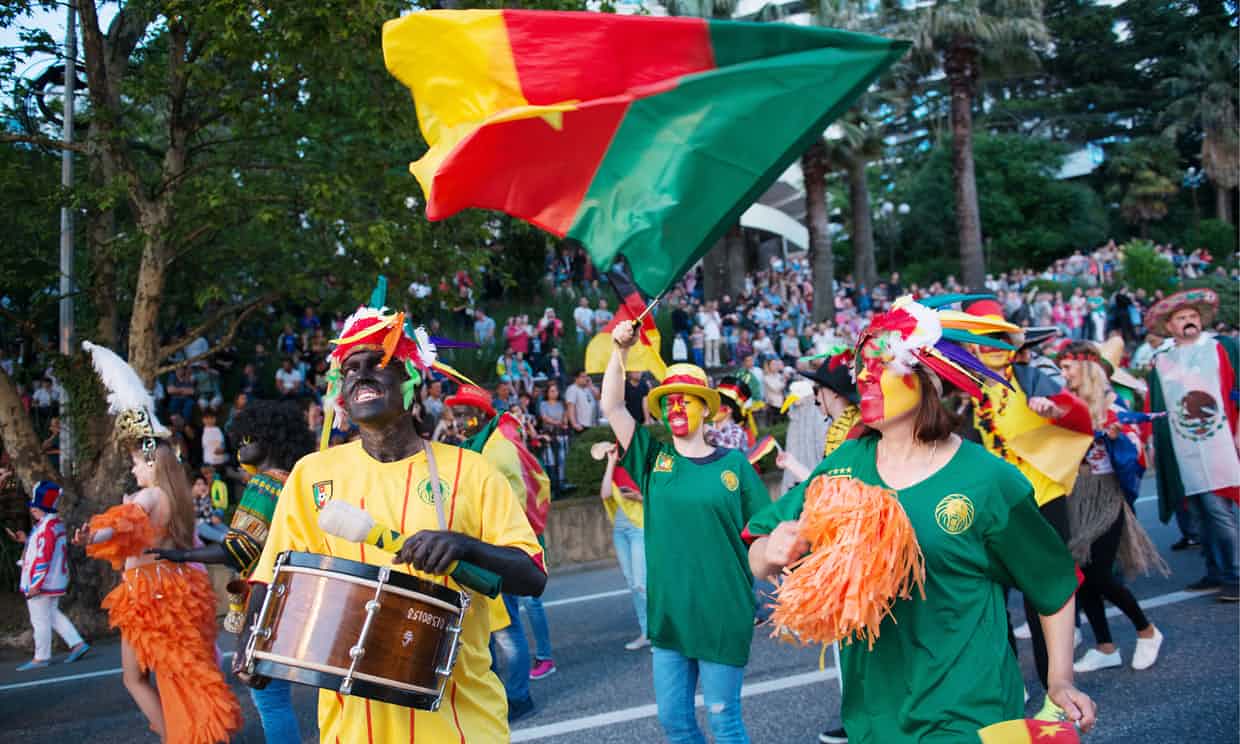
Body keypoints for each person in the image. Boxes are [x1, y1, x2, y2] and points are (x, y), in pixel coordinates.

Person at [747, 297, 1097, 743]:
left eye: (880, 362)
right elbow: (758, 547)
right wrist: (771, 552)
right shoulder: (842, 467)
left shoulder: (985, 479)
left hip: (968, 715)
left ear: (926, 374)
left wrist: (1060, 680)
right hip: (874, 719)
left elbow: (1053, 583)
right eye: (859, 366)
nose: (864, 376)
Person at [246, 288, 547, 742]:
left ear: (411, 383)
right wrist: (253, 642)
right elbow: (273, 575)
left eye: (377, 363)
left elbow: (532, 576)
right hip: (353, 726)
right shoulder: (312, 475)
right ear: (342, 395)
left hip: (460, 723)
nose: (361, 373)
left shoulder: (471, 470)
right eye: (349, 367)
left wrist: (465, 546)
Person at [601, 323, 770, 744]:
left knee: (725, 722)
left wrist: (797, 581)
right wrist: (618, 351)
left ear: (706, 409)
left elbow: (765, 533)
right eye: (670, 401)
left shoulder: (735, 467)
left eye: (686, 400)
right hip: (670, 616)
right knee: (675, 723)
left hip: (722, 614)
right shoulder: (652, 458)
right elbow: (612, 407)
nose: (676, 407)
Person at [77, 341, 243, 744]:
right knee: (148, 676)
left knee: (151, 677)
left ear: (152, 462)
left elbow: (120, 527)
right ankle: (179, 734)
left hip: (151, 597)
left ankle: (180, 736)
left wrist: (92, 534)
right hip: (158, 592)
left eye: (136, 461)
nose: (133, 468)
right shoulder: (174, 495)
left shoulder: (150, 496)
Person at [147, 400, 315, 742]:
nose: (240, 444)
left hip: (265, 603)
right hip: (292, 596)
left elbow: (239, 548)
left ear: (268, 439)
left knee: (270, 699)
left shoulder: (264, 485)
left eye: (248, 437)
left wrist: (179, 554)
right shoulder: (293, 482)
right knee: (279, 696)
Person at [961, 298, 1094, 719]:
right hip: (991, 506)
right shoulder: (966, 387)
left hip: (1041, 499)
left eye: (996, 337)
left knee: (1045, 597)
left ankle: (1055, 690)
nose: (989, 346)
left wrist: (1055, 410)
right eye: (980, 339)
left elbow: (1079, 417)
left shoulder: (1033, 375)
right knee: (991, 602)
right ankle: (1008, 684)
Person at [1056, 343, 1167, 674]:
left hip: (1105, 495)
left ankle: (1147, 630)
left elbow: (1134, 451)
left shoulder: (1113, 404)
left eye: (1067, 368)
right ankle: (1105, 647)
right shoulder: (1065, 404)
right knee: (1082, 575)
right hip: (1074, 493)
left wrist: (1116, 437)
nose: (1062, 375)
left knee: (1099, 574)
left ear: (1086, 369)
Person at [451, 384, 557, 711]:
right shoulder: (475, 447)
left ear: (481, 417)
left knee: (507, 628)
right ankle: (498, 693)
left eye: (463, 416)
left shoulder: (495, 451)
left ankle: (519, 696)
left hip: (497, 552)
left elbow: (506, 505)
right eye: (454, 416)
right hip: (482, 552)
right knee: (491, 628)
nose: (456, 422)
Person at [1145, 289, 1240, 601]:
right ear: (1170, 327)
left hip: (1221, 441)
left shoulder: (1221, 348)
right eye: (1181, 318)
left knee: (1218, 510)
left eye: (1193, 317)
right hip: (1184, 446)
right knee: (1198, 514)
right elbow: (1158, 404)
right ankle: (1215, 571)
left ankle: (1235, 575)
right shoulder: (1163, 361)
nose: (1188, 322)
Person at [8, 481, 90, 671]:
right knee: (52, 614)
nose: (32, 510)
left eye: (35, 507)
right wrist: (26, 540)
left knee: (39, 618)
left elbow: (43, 557)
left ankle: (41, 657)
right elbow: (43, 550)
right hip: (54, 579)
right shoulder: (54, 524)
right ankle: (77, 643)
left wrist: (35, 584)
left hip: (43, 582)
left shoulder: (45, 528)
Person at [595, 441, 650, 650]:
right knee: (631, 583)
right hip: (620, 531)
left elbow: (656, 498)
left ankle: (662, 633)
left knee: (642, 584)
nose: (616, 453)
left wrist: (637, 497)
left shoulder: (640, 468)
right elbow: (605, 494)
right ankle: (646, 632)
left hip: (639, 529)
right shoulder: (615, 471)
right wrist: (609, 463)